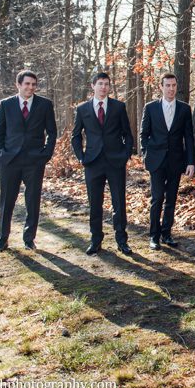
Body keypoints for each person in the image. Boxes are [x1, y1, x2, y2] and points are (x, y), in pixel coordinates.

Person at [0, 70, 57, 252]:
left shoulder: (44, 105)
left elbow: (52, 132)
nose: (30, 87)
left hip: (34, 161)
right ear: (18, 85)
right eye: (27, 84)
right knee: (7, 201)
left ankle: (29, 239)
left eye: (33, 84)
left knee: (32, 200)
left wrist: (46, 154)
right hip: (9, 161)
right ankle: (2, 240)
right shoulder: (6, 104)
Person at [71, 72, 134, 256]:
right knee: (95, 204)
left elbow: (127, 135)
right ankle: (95, 240)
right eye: (100, 83)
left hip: (115, 162)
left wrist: (125, 155)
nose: (104, 87)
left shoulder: (118, 107)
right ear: (93, 86)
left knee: (119, 203)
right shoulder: (83, 109)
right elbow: (76, 136)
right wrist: (81, 157)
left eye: (106, 84)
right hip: (92, 162)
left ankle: (122, 241)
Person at [140, 73, 195, 250]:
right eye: (167, 85)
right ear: (161, 87)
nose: (171, 89)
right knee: (157, 198)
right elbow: (144, 134)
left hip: (176, 160)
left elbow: (189, 137)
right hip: (155, 160)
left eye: (173, 85)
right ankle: (154, 236)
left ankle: (167, 234)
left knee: (171, 199)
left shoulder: (185, 109)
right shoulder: (150, 108)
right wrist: (145, 153)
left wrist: (191, 161)